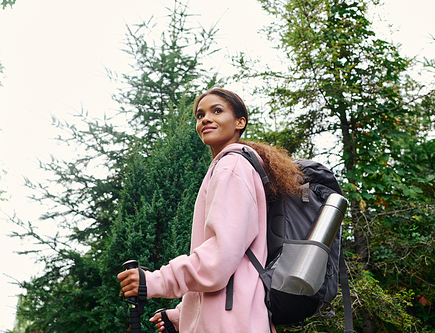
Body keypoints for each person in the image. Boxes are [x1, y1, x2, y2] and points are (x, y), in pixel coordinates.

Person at [117, 88, 302, 333]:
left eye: (217, 111)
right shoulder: (229, 167)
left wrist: (154, 281)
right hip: (236, 318)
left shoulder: (231, 167)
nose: (205, 119)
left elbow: (219, 257)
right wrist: (181, 315)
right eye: (200, 114)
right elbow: (233, 265)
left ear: (239, 122)